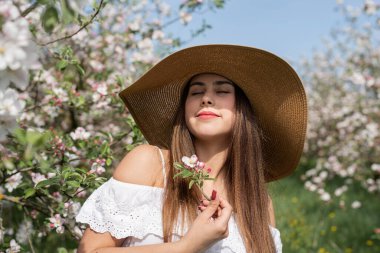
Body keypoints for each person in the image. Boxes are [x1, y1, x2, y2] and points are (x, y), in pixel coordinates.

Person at [76, 44, 307, 253]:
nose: (206, 98)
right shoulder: (150, 165)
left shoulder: (259, 202)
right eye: (196, 92)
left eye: (222, 91)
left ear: (243, 111)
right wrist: (186, 246)